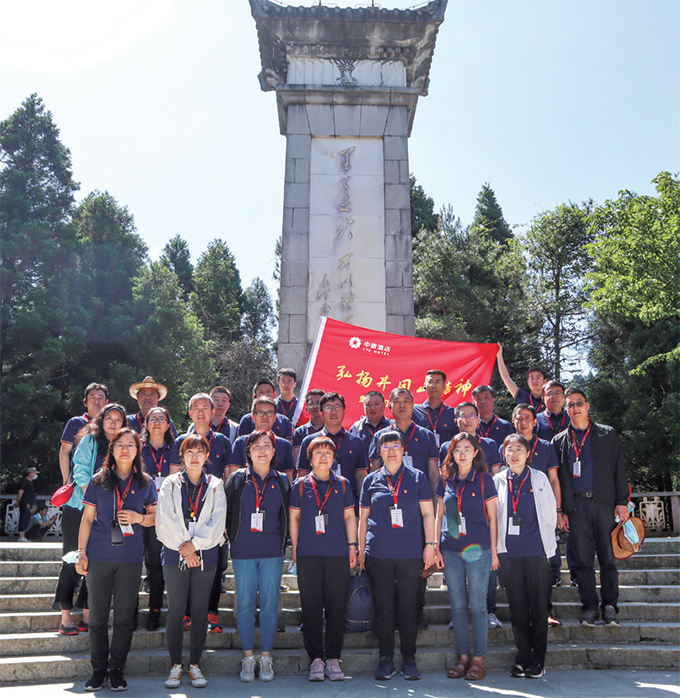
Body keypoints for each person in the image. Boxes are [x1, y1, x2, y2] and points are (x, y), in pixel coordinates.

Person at [76, 428, 157, 692]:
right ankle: (98, 670)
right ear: (112, 449)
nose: (125, 449)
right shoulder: (98, 481)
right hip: (99, 558)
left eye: (130, 445)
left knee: (123, 619)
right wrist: (81, 552)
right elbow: (87, 519)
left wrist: (139, 518)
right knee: (97, 618)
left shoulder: (145, 482)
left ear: (137, 450)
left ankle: (116, 670)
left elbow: (155, 517)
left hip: (130, 560)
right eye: (119, 444)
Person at [359, 430, 437, 681]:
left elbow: (428, 514)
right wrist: (360, 550)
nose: (391, 451)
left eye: (395, 446)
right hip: (378, 554)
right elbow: (363, 519)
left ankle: (409, 658)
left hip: (410, 554)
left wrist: (430, 545)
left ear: (404, 450)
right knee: (383, 608)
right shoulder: (371, 480)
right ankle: (385, 659)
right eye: (385, 446)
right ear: (379, 452)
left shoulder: (417, 477)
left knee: (408, 606)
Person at [553, 388, 629, 627]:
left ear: (587, 406)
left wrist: (622, 502)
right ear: (566, 410)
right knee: (583, 561)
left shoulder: (607, 434)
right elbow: (558, 479)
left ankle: (610, 605)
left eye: (579, 403)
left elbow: (619, 468)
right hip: (576, 508)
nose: (575, 408)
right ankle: (590, 607)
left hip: (604, 504)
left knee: (608, 558)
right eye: (570, 405)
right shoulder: (559, 441)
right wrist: (561, 511)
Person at [156, 434, 227, 690]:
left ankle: (195, 664)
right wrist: (186, 549)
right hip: (174, 553)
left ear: (207, 456)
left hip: (206, 555)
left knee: (199, 611)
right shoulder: (170, 483)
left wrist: (194, 546)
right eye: (189, 452)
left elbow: (218, 521)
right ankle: (176, 665)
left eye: (199, 452)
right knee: (176, 610)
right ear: (182, 456)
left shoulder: (216, 485)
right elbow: (166, 519)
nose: (194, 456)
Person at [53, 403, 126, 636]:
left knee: (96, 563)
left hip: (107, 513)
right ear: (101, 420)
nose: (113, 423)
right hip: (79, 508)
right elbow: (81, 471)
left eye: (118, 419)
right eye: (109, 418)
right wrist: (93, 499)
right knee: (71, 560)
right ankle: (65, 618)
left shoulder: (122, 444)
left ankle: (87, 615)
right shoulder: (89, 440)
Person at [289, 436, 357, 681]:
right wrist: (295, 547)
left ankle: (333, 658)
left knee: (336, 607)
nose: (323, 457)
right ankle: (316, 659)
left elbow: (350, 517)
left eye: (328, 452)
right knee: (311, 608)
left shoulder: (343, 484)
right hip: (308, 553)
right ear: (310, 458)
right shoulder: (299, 485)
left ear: (334, 457)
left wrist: (352, 547)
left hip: (337, 553)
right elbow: (294, 518)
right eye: (318, 452)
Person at [225, 430, 290, 683]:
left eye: (266, 445)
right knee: (244, 606)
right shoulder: (237, 479)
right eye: (256, 446)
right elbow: (225, 511)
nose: (261, 450)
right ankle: (248, 656)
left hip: (273, 552)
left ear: (274, 451)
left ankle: (265, 657)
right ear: (248, 452)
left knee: (270, 606)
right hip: (243, 551)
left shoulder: (282, 480)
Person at [435, 433, 498, 682]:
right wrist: (435, 546)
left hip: (479, 550)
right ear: (451, 454)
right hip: (450, 549)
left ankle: (478, 659)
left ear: (475, 453)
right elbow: (439, 516)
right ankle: (462, 657)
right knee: (458, 606)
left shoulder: (484, 479)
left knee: (478, 605)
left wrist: (494, 551)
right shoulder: (446, 480)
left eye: (467, 449)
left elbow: (493, 518)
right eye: (457, 450)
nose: (462, 454)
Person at [494, 434, 557, 679]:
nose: (514, 454)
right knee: (517, 607)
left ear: (528, 453)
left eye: (519, 449)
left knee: (538, 607)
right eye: (509, 449)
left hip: (536, 551)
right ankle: (522, 658)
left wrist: (547, 544)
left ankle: (538, 659)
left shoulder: (539, 478)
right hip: (509, 553)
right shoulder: (498, 480)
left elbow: (550, 512)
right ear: (504, 454)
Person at [170, 393, 231, 633]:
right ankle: (186, 613)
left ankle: (211, 611)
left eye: (206, 407)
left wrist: (226, 514)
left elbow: (229, 476)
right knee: (186, 561)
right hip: (186, 511)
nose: (201, 412)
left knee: (214, 562)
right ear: (190, 413)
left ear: (213, 411)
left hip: (214, 510)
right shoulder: (181, 441)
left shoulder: (222, 441)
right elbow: (173, 477)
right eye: (196, 408)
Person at [511, 403, 566, 620]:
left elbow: (554, 480)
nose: (523, 422)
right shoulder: (508, 446)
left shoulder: (545, 446)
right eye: (519, 418)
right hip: (515, 513)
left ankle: (545, 610)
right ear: (513, 421)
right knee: (518, 567)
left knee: (543, 565)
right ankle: (522, 614)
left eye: (527, 418)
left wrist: (558, 510)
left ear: (535, 422)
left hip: (541, 512)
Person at [297, 392, 369, 509]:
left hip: (349, 505)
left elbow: (361, 475)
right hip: (316, 504)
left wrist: (363, 505)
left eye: (337, 407)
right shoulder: (309, 441)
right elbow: (302, 474)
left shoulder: (356, 441)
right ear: (321, 413)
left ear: (344, 412)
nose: (333, 412)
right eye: (328, 407)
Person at [140, 407, 175, 631]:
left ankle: (155, 610)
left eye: (161, 419)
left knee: (156, 563)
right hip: (139, 510)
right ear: (146, 424)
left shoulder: (175, 448)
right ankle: (130, 610)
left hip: (166, 513)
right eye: (152, 418)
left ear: (168, 425)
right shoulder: (137, 448)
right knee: (136, 562)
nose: (156, 422)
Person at [229, 396, 295, 481]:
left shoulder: (285, 445)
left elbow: (288, 480)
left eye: (269, 413)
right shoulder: (240, 443)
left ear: (275, 417)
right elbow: (234, 478)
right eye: (260, 413)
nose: (265, 417)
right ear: (253, 417)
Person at [59, 383, 109, 487]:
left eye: (100, 398)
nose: (96, 401)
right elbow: (64, 451)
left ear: (106, 402)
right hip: (78, 483)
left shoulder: (110, 425)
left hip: (105, 483)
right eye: (92, 398)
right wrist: (66, 480)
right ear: (85, 402)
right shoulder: (75, 422)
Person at [440, 403, 502, 474]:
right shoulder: (447, 446)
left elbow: (495, 473)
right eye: (463, 416)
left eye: (472, 416)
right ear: (456, 421)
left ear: (478, 420)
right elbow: (444, 474)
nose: (468, 420)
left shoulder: (489, 444)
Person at [412, 369, 458, 447]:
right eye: (430, 382)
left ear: (444, 387)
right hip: (422, 454)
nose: (434, 386)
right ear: (425, 386)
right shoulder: (414, 411)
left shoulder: (452, 413)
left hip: (445, 454)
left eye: (438, 382)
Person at [496, 346, 547, 413]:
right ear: (528, 381)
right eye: (532, 378)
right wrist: (499, 355)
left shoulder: (550, 399)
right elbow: (506, 377)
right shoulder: (523, 397)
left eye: (538, 378)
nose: (535, 380)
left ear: (544, 381)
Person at [348, 390, 391, 455]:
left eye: (376, 404)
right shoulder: (356, 428)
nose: (372, 408)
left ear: (384, 405)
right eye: (368, 405)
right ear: (363, 407)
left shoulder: (391, 426)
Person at [472, 385, 514, 450]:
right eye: (478, 399)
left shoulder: (505, 426)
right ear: (474, 403)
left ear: (493, 400)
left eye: (486, 397)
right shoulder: (470, 426)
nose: (482, 402)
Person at [292, 389, 325, 462]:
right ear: (306, 408)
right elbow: (298, 460)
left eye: (318, 403)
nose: (315, 406)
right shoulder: (300, 432)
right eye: (311, 404)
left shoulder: (331, 430)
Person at [16, 467, 39, 542]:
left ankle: (23, 536)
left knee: (26, 519)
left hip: (29, 504)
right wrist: (18, 502)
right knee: (23, 519)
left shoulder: (30, 482)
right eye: (34, 473)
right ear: (30, 474)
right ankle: (21, 537)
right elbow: (21, 492)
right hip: (25, 503)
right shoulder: (25, 481)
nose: (35, 475)